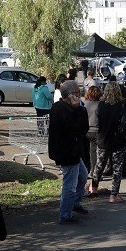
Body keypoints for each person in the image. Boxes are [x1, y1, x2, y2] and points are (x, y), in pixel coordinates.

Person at [48, 80, 89, 224]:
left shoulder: (64, 107)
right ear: (70, 95)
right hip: (67, 152)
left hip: (73, 151)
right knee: (70, 185)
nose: (79, 96)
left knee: (83, 176)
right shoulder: (62, 109)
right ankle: (65, 214)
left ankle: (75, 204)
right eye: (77, 93)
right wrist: (78, 109)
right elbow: (79, 129)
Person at [89, 82, 126, 203]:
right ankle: (114, 195)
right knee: (117, 168)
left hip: (103, 139)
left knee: (99, 166)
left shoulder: (101, 105)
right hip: (118, 140)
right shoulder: (122, 104)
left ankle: (94, 189)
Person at [83, 86, 102, 179]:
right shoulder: (101, 105)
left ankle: (87, 170)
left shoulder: (85, 104)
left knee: (88, 152)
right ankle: (95, 171)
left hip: (87, 131)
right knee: (96, 153)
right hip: (97, 131)